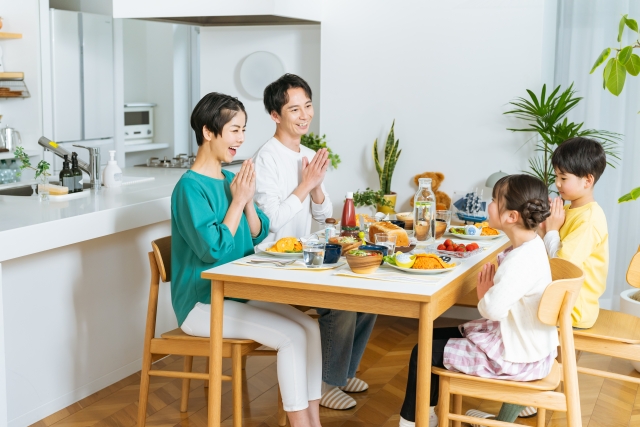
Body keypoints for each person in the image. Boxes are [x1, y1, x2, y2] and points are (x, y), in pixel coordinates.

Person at [171, 92, 323, 427]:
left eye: (243, 130)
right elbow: (212, 249)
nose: (241, 139)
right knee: (292, 337)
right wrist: (238, 201)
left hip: (233, 295)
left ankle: (314, 422)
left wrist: (248, 201)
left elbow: (255, 234)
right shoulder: (189, 188)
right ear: (209, 132)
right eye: (234, 130)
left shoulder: (228, 178)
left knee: (310, 327)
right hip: (201, 304)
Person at [253, 73, 377, 410]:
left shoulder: (307, 153)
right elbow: (270, 222)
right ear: (275, 115)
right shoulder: (266, 158)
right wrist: (306, 185)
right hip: (273, 262)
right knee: (340, 304)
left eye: (307, 106)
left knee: (369, 297)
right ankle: (324, 384)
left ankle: (342, 371)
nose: (305, 115)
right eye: (294, 109)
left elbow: (324, 217)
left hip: (305, 257)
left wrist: (318, 187)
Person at [399, 174, 557, 427]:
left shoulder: (520, 261)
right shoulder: (531, 246)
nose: (489, 204)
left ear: (511, 217)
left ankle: (413, 422)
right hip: (527, 345)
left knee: (424, 352)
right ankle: (425, 416)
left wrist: (484, 295)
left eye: (495, 200)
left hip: (516, 357)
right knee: (428, 341)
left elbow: (493, 310)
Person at [480, 137, 610, 423]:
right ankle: (521, 399)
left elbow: (561, 267)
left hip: (573, 306)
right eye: (556, 176)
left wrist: (551, 231)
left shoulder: (588, 219)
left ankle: (508, 412)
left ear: (587, 180)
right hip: (562, 299)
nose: (558, 184)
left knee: (519, 322)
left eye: (564, 177)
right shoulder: (573, 210)